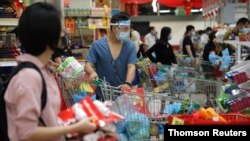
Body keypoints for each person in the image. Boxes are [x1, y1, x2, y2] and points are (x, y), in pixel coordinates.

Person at [4, 3, 96, 141]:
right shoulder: (29, 77)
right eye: (61, 31)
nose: (64, 35)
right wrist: (74, 128)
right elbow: (27, 133)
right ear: (48, 36)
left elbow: (46, 119)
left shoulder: (42, 71)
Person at [84, 12, 137, 100]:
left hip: (122, 96)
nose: (127, 32)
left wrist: (127, 83)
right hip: (102, 94)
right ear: (113, 28)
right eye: (124, 29)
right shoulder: (97, 45)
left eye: (128, 29)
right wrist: (92, 72)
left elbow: (131, 66)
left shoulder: (130, 46)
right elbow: (88, 65)